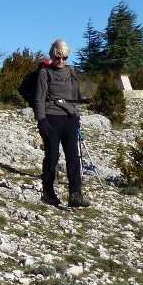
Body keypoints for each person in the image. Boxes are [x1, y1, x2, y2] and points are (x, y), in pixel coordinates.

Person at [33, 39, 89, 208]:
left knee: (73, 156)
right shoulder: (44, 73)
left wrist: (76, 117)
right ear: (52, 56)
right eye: (58, 58)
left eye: (64, 58)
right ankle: (48, 192)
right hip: (51, 118)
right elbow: (39, 99)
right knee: (52, 157)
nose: (61, 61)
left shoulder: (71, 72)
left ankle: (75, 194)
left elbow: (75, 97)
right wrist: (41, 119)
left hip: (70, 119)